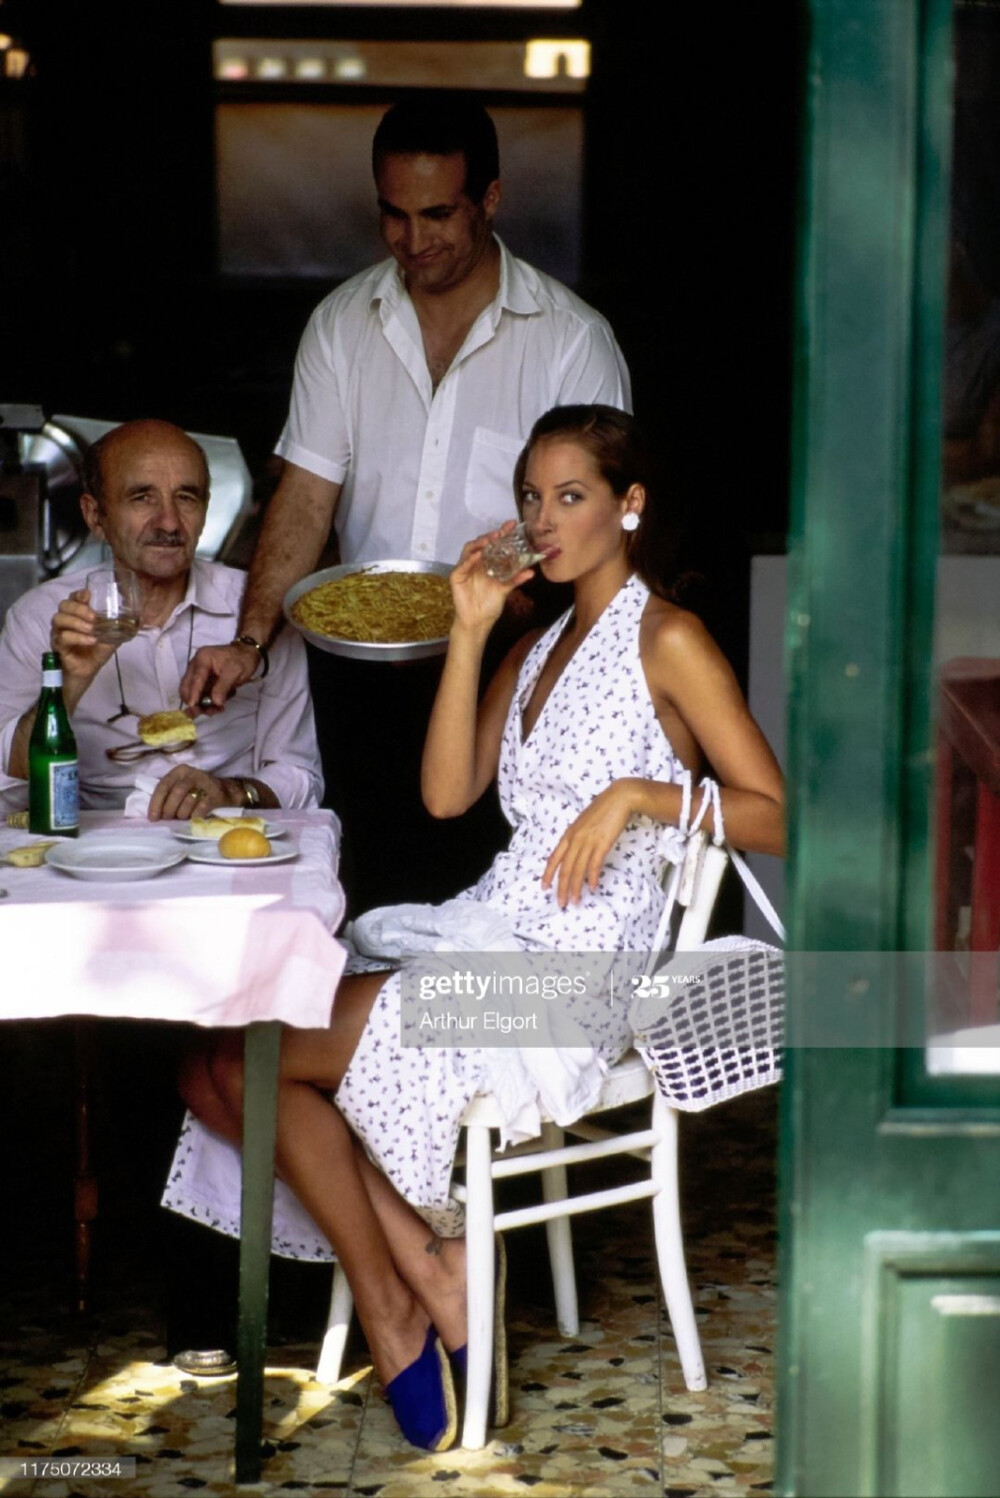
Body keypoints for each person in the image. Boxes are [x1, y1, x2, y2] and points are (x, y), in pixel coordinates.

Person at [168, 405, 784, 1451]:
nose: (543, 520)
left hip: (578, 982)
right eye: (530, 498)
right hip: (492, 937)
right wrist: (467, 626)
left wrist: (639, 792)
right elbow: (447, 793)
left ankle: (408, 1311)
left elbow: (775, 809)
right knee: (213, 1068)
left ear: (629, 506)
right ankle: (417, 1274)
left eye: (572, 495)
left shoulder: (666, 636)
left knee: (252, 1058)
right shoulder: (536, 647)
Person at [177, 95, 632, 912]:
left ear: (490, 200)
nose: (413, 241)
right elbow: (306, 498)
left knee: (491, 900)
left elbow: (588, 519)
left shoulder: (570, 338)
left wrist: (475, 603)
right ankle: (368, 1033)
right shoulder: (342, 325)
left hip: (513, 669)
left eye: (438, 214)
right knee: (366, 898)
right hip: (357, 678)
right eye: (393, 214)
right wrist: (250, 640)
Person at [0, 419, 323, 818]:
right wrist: (68, 684)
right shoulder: (38, 618)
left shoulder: (260, 611)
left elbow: (299, 775)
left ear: (205, 510)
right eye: (142, 498)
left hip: (223, 839)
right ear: (95, 516)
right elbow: (9, 783)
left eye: (186, 497)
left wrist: (231, 793)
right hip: (92, 847)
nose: (169, 522)